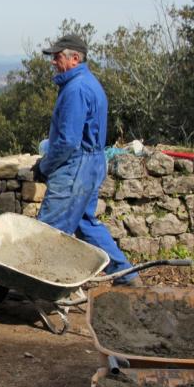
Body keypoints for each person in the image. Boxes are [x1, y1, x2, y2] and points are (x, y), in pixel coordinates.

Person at [34, 35, 141, 286]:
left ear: (74, 59)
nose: (53, 62)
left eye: (57, 57)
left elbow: (68, 141)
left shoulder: (76, 89)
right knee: (86, 224)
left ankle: (41, 284)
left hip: (76, 167)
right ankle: (125, 273)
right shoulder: (88, 83)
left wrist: (44, 166)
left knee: (47, 230)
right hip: (93, 163)